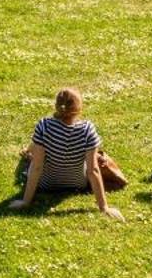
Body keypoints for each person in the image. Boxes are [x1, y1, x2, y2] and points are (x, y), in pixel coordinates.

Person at [9, 88, 123, 219]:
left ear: (57, 106)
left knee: (32, 154)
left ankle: (28, 151)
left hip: (45, 184)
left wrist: (25, 201)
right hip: (77, 183)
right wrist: (104, 207)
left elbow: (37, 166)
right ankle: (29, 150)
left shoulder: (44, 125)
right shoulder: (87, 129)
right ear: (79, 108)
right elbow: (93, 170)